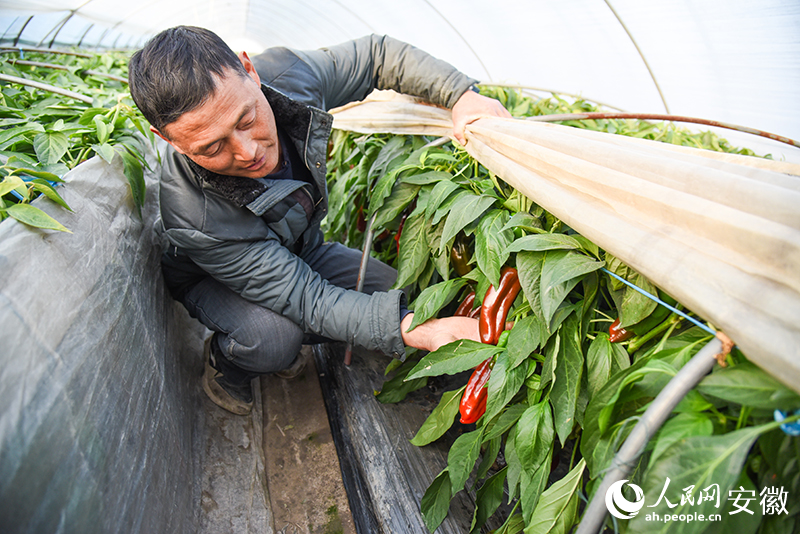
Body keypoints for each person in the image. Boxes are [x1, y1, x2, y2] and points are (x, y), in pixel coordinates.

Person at [128, 26, 511, 415]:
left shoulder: (289, 76)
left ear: (250, 70)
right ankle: (229, 366)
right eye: (211, 147)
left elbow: (376, 55)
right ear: (167, 139)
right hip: (211, 279)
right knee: (275, 337)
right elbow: (307, 298)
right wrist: (415, 330)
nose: (246, 152)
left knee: (401, 293)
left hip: (299, 248)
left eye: (246, 119)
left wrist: (461, 95)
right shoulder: (196, 215)